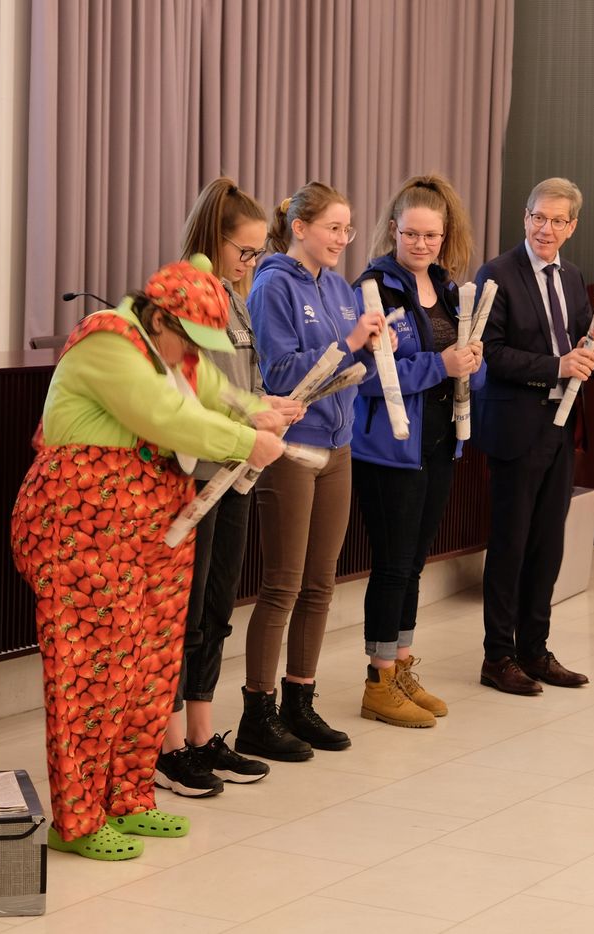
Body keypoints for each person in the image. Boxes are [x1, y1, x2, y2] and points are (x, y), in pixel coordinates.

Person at [10, 259, 287, 860]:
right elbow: (167, 417)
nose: (197, 353)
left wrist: (254, 408)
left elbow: (210, 389)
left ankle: (128, 798)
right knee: (92, 674)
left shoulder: (173, 349)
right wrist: (246, 440)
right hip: (82, 525)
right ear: (159, 317)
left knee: (151, 667)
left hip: (153, 527)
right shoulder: (109, 341)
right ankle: (77, 822)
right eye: (191, 339)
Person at [154, 178, 301, 797]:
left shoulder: (235, 300)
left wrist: (267, 406)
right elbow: (190, 395)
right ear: (213, 241)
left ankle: (202, 733)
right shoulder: (188, 298)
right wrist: (248, 421)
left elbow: (236, 384)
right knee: (182, 615)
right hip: (194, 477)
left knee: (217, 609)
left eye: (259, 252)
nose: (251, 262)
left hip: (236, 473)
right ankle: (165, 747)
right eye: (245, 251)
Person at [234, 180, 390, 760]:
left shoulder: (342, 289)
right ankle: (258, 711)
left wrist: (371, 350)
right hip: (292, 450)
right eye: (333, 228)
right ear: (299, 228)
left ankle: (300, 700)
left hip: (337, 446)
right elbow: (277, 373)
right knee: (283, 584)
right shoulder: (272, 284)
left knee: (321, 584)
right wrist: (349, 341)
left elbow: (347, 369)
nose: (343, 239)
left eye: (348, 229)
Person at [351, 174, 484, 727]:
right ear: (393, 230)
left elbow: (459, 368)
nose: (422, 244)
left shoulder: (449, 289)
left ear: (444, 235)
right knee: (392, 565)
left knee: (414, 565)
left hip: (438, 444)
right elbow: (365, 376)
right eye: (411, 234)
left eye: (431, 235)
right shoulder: (373, 290)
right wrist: (441, 364)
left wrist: (470, 364)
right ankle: (378, 681)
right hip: (389, 449)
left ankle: (402, 665)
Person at [473, 177, 594, 695]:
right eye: (537, 217)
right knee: (510, 545)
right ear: (525, 218)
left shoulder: (573, 276)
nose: (544, 228)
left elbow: (577, 342)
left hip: (561, 425)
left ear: (572, 227)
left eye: (556, 221)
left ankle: (534, 648)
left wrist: (592, 353)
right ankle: (497, 657)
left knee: (548, 546)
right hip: (515, 425)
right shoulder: (497, 273)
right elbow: (491, 353)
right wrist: (557, 366)